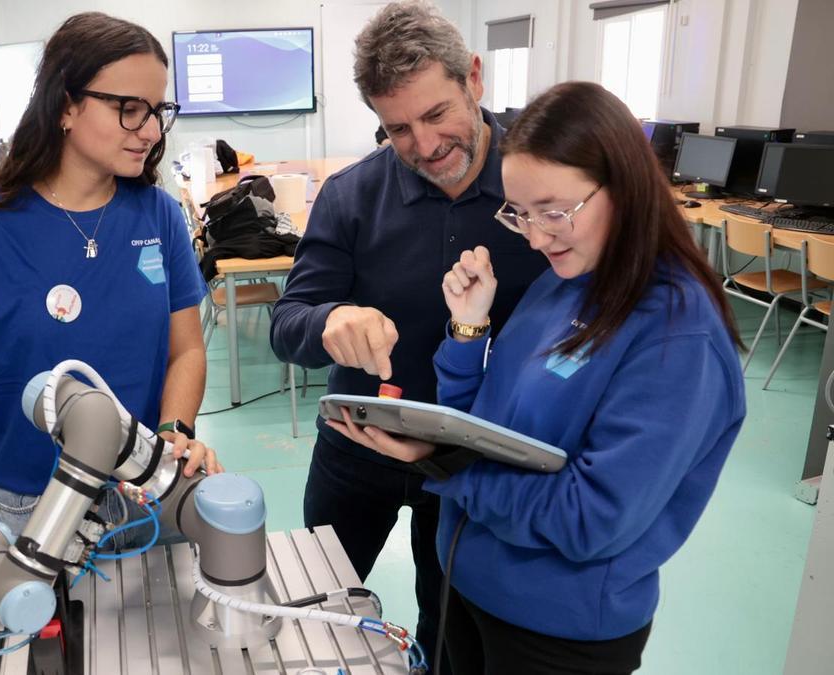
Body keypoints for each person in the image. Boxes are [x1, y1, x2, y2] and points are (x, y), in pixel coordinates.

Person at [327, 81, 746, 674]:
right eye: (519, 214)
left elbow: (590, 518)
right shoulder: (565, 279)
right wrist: (468, 330)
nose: (537, 236)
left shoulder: (677, 334)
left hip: (556, 631)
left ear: (624, 186)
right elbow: (487, 426)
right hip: (467, 587)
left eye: (553, 212)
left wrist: (447, 465)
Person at [0, 12, 222, 640]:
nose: (149, 131)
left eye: (157, 111)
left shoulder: (160, 217)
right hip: (33, 511)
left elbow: (186, 352)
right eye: (129, 109)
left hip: (145, 492)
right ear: (64, 106)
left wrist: (174, 433)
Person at [269, 0, 548, 659]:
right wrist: (330, 319)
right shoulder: (350, 196)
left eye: (436, 114)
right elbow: (288, 322)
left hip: (473, 459)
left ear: (474, 77)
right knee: (317, 615)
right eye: (397, 128)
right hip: (356, 445)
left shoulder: (540, 185)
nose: (424, 146)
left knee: (446, 627)